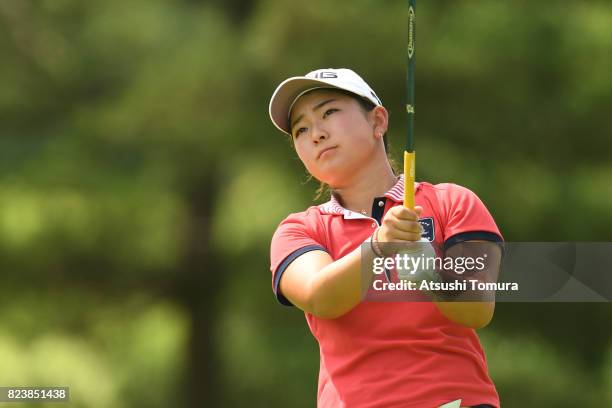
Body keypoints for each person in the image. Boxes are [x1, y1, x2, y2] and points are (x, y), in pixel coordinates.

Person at [268, 68, 503, 408]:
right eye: (301, 129)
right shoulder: (299, 229)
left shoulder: (451, 202)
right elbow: (321, 298)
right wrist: (380, 247)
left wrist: (433, 279)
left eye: (329, 112)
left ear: (378, 121)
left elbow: (477, 308)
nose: (316, 134)